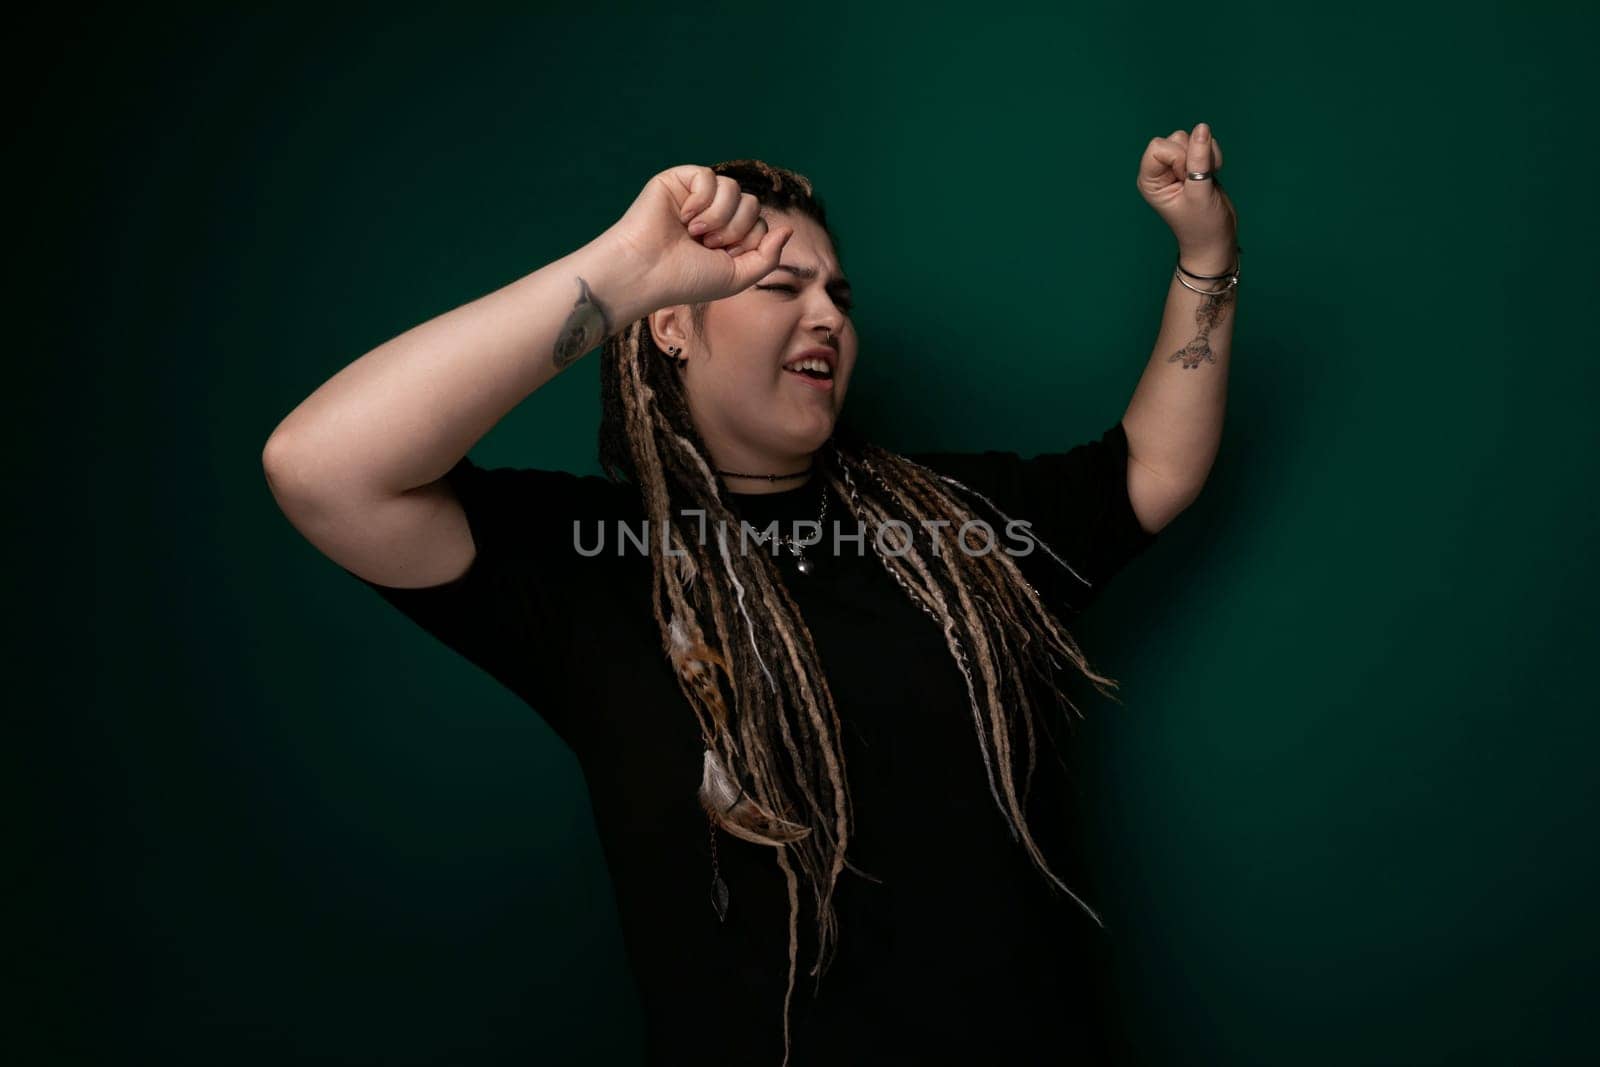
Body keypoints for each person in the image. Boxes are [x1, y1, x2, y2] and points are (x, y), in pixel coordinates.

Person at [263, 132, 1238, 1066]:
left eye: (838, 294)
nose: (829, 316)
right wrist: (625, 270)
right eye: (780, 284)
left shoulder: (963, 525)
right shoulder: (586, 566)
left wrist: (1206, 253)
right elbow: (322, 467)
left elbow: (1153, 465)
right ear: (674, 324)